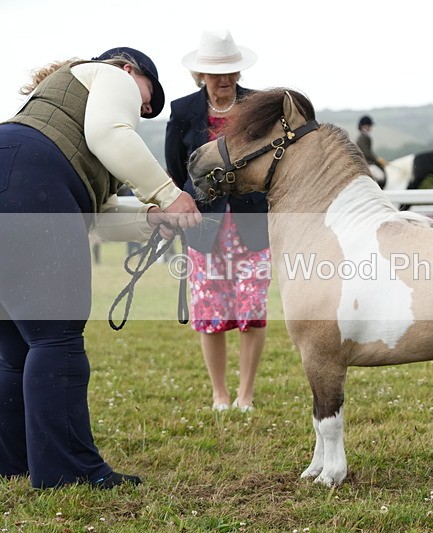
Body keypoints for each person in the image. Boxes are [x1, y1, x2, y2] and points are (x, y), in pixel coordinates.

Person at [0, 47, 201, 490]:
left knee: (14, 346)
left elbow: (96, 214)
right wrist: (169, 194)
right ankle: (69, 473)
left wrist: (149, 217)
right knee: (58, 337)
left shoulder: (58, 117)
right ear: (128, 69)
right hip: (28, 180)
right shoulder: (110, 75)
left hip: (0, 173)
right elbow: (109, 134)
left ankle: (14, 466)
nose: (145, 109)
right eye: (148, 96)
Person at [165, 29, 270, 413]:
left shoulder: (258, 107)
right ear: (201, 74)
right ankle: (220, 395)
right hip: (203, 226)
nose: (224, 79)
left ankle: (246, 394)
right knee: (210, 312)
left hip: (252, 224)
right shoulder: (182, 111)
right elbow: (177, 170)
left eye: (230, 71)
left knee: (252, 310)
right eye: (215, 72)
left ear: (239, 71)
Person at [356, 115, 387, 187]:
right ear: (365, 126)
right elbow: (366, 152)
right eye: (369, 125)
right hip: (367, 163)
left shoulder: (364, 136)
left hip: (367, 162)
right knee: (381, 177)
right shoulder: (363, 137)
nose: (371, 127)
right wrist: (377, 159)